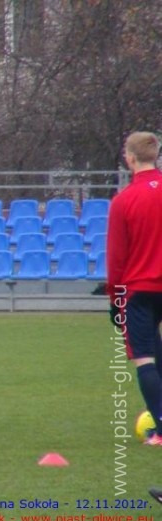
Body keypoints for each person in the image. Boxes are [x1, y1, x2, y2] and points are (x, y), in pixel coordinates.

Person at [106, 131, 162, 447]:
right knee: (157, 351)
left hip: (139, 291)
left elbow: (116, 258)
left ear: (129, 158)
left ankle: (161, 431)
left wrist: (115, 300)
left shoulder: (124, 200)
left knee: (145, 358)